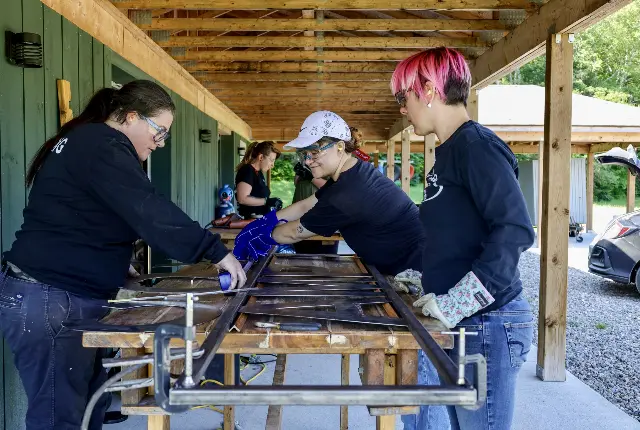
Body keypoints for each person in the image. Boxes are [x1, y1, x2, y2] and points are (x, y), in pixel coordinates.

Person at [0, 80, 246, 430]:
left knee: (88, 408)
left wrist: (117, 262)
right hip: (50, 298)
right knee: (60, 417)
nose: (159, 143)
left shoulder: (90, 142)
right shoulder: (101, 144)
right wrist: (215, 251)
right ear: (132, 116)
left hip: (60, 295)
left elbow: (85, 214)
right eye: (159, 131)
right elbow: (148, 209)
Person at [390, 47, 536, 430]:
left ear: (429, 90)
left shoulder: (476, 147)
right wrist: (430, 277)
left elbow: (516, 228)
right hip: (467, 322)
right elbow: (459, 233)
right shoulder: (449, 150)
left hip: (488, 321)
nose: (402, 109)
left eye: (403, 97)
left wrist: (460, 299)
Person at [232, 110, 426, 279]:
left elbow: (293, 233)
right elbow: (305, 204)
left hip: (416, 269)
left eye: (314, 153)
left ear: (340, 147)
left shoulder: (348, 193)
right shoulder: (351, 173)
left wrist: (262, 236)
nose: (307, 161)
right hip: (402, 263)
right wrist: (268, 220)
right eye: (304, 154)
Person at [290, 161, 338, 254]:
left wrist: (311, 177)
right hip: (300, 216)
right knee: (301, 257)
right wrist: (300, 171)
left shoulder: (331, 163)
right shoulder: (306, 162)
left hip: (322, 218)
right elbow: (296, 183)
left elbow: (333, 189)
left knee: (324, 257)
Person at [234, 140, 283, 219]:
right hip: (251, 222)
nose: (272, 165)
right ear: (261, 157)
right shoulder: (247, 170)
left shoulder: (258, 173)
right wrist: (267, 201)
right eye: (271, 160)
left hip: (260, 219)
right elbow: (242, 199)